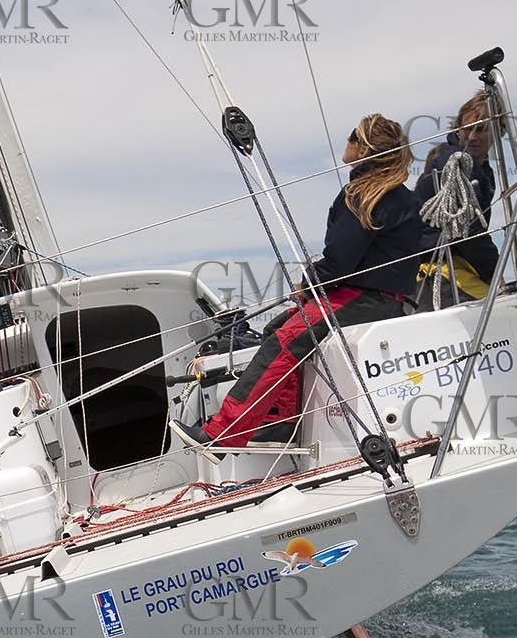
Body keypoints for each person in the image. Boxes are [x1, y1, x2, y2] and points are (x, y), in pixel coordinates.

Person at [174, 114, 423, 451]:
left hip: (363, 296)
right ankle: (281, 422)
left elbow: (340, 261)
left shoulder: (362, 195)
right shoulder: (402, 197)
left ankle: (223, 431)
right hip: (382, 298)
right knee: (275, 328)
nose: (346, 141)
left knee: (284, 341)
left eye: (352, 136)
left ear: (364, 148)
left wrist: (307, 286)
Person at [411, 91, 499, 310]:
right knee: (503, 304)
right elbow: (467, 228)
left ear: (500, 131)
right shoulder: (455, 163)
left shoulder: (480, 168)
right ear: (458, 130)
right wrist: (495, 273)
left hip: (453, 266)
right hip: (439, 268)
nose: (472, 137)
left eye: (481, 129)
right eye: (467, 129)